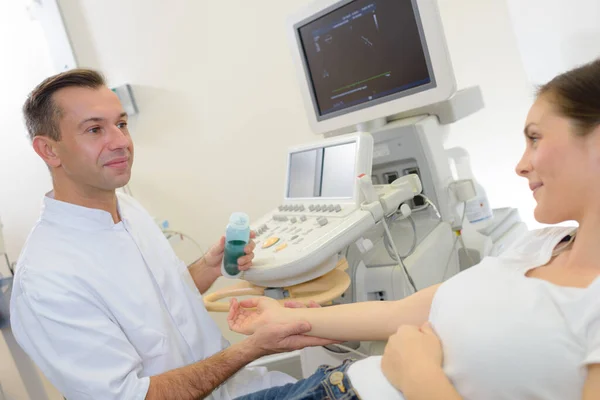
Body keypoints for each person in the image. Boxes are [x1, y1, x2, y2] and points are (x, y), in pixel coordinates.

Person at [227, 58, 600, 400]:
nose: (521, 165)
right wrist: (284, 318)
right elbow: (404, 313)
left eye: (535, 138)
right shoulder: (540, 245)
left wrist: (417, 374)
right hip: (332, 384)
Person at [9, 69, 335, 400]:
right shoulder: (45, 280)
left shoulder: (128, 209)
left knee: (365, 377)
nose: (121, 142)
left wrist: (209, 265)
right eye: (95, 129)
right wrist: (253, 348)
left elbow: (161, 299)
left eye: (121, 124)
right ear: (49, 150)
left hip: (238, 387)